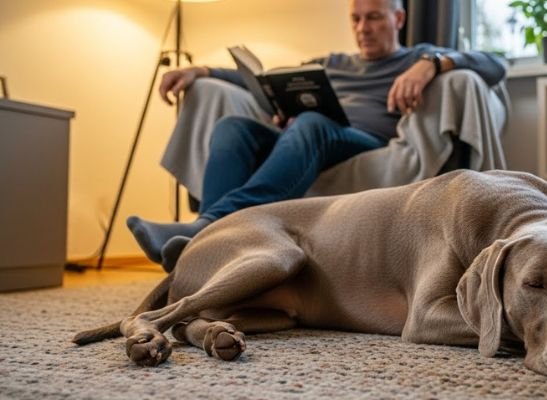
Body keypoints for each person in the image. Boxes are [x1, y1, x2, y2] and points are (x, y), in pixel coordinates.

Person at [127, 0, 507, 265]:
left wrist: (432, 64)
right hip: (308, 138)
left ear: (399, 18)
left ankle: (206, 230)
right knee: (233, 128)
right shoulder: (332, 63)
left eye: (374, 18)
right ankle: (206, 253)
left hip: (360, 140)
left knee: (312, 124)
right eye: (356, 19)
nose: (363, 28)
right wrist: (203, 71)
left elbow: (494, 65)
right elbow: (263, 80)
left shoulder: (415, 57)